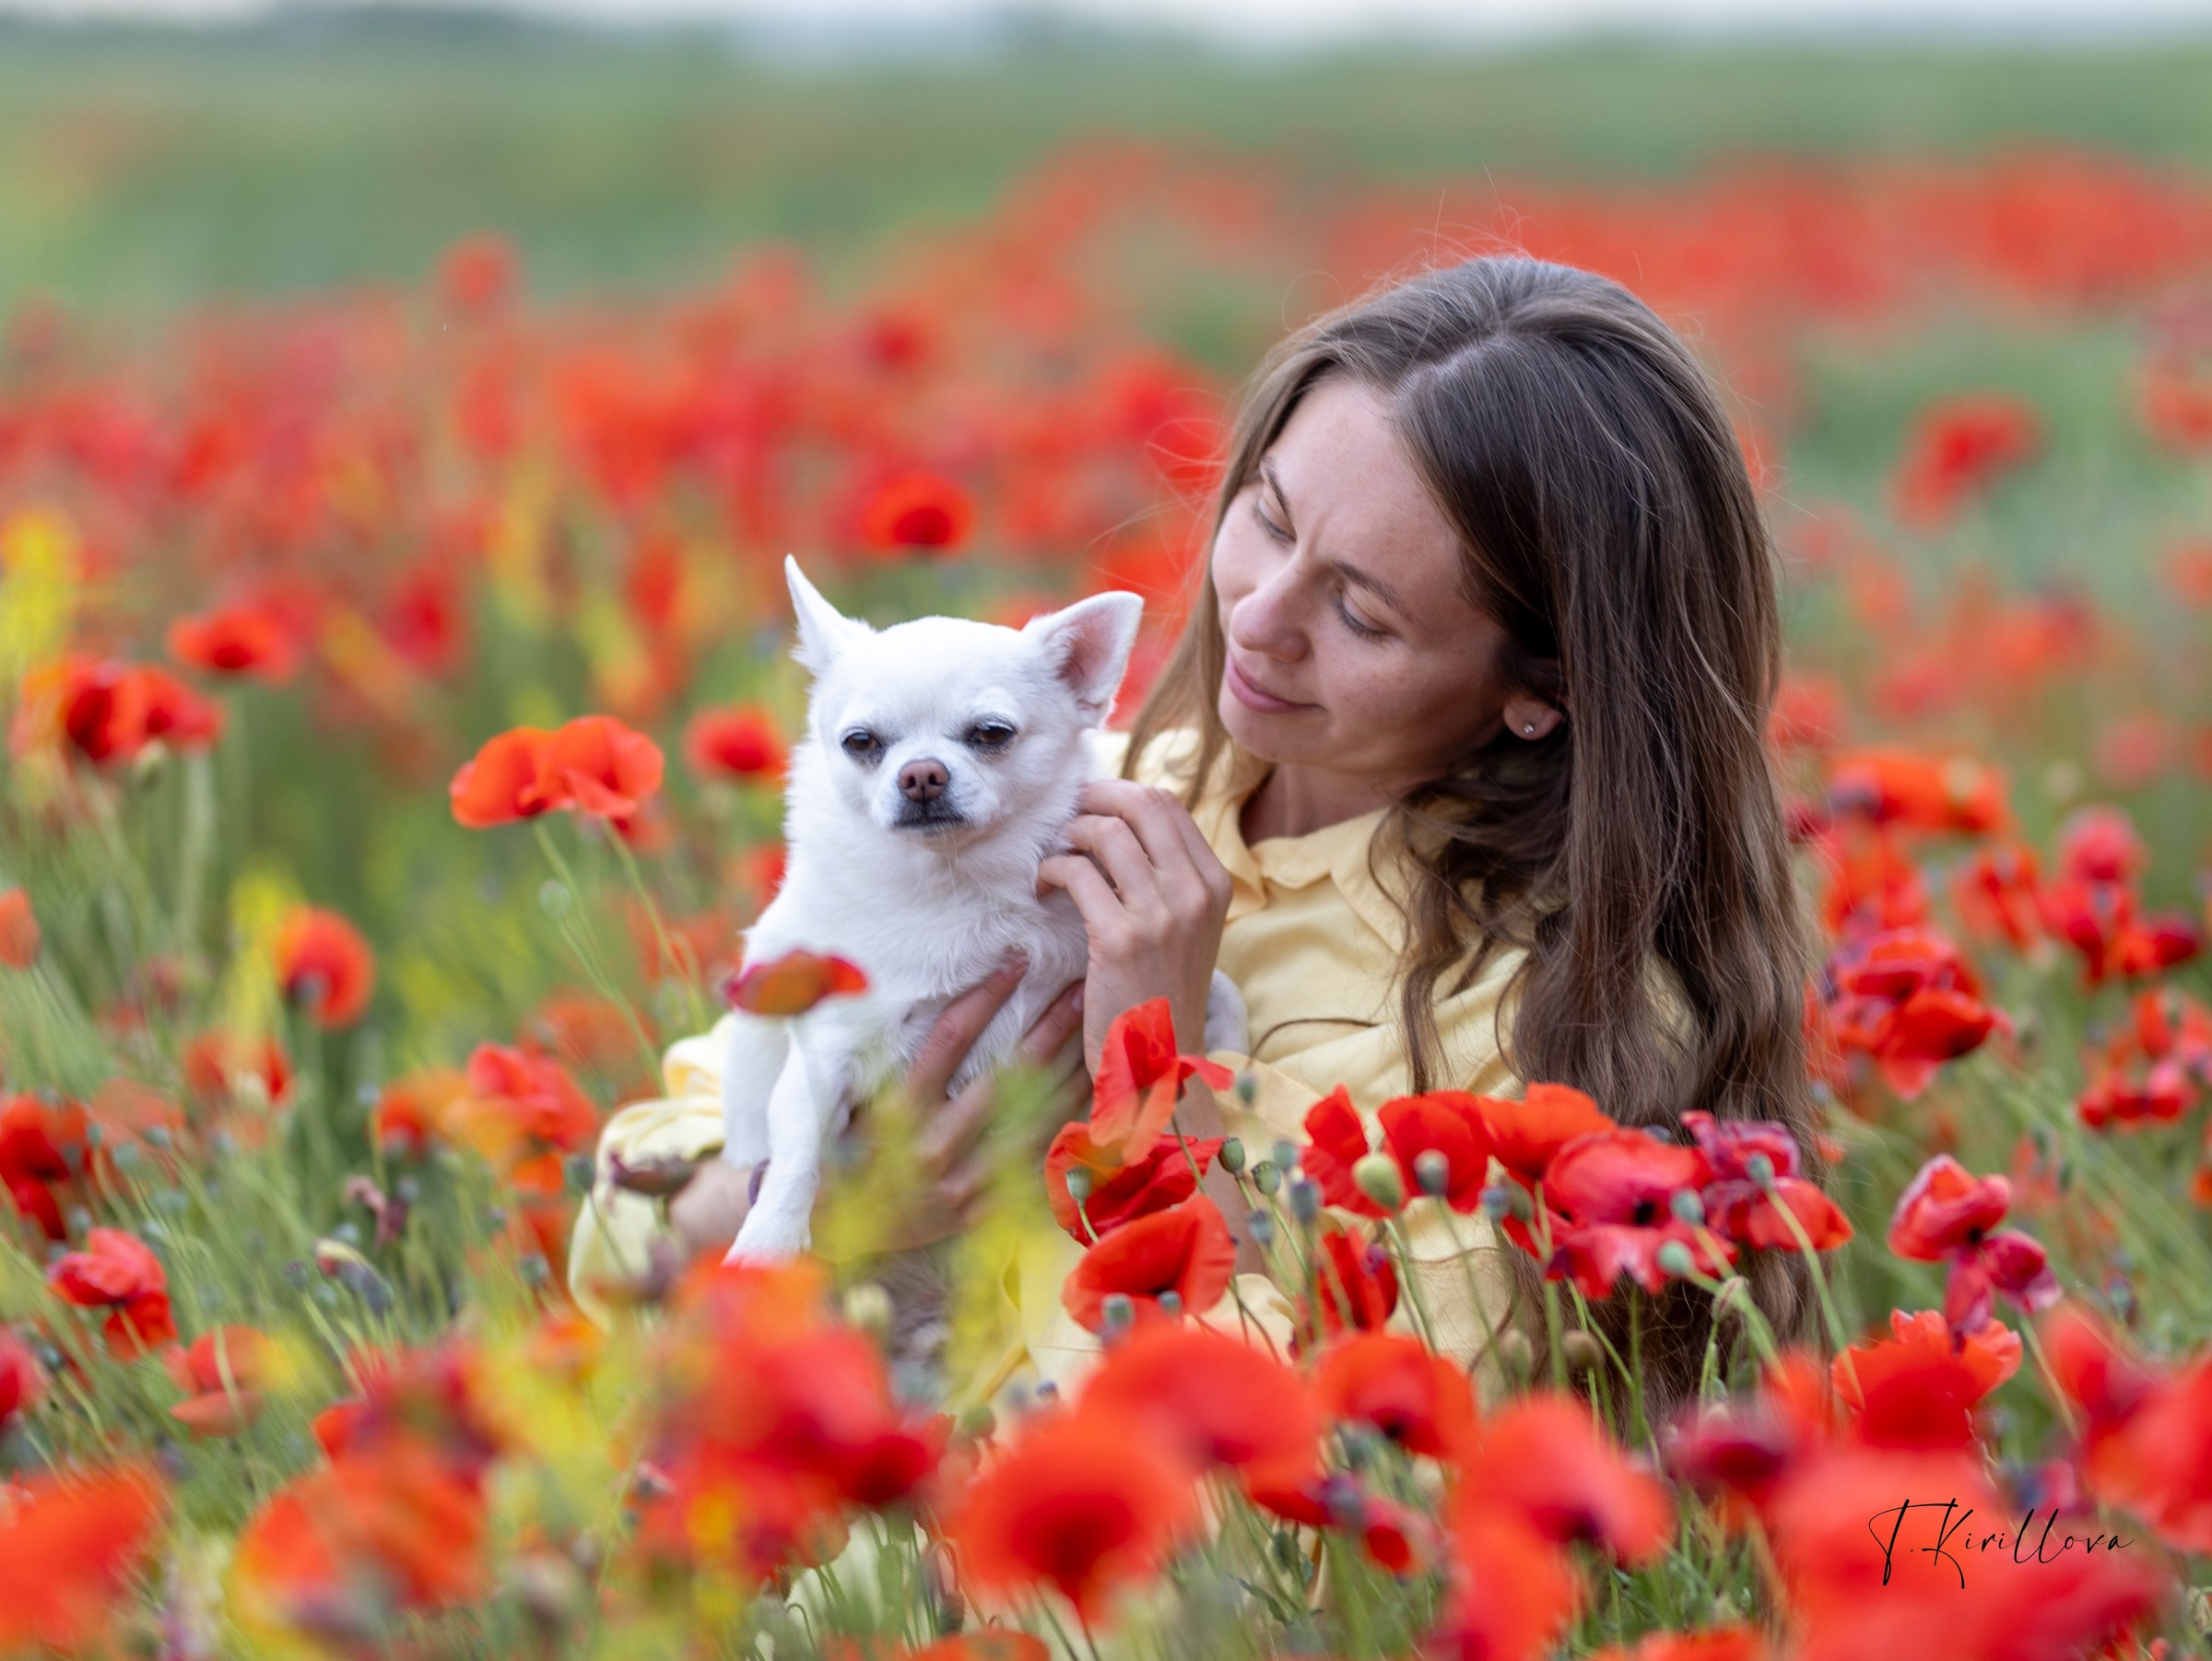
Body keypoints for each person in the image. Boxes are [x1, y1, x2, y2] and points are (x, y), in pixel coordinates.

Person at [569, 253, 1820, 1415]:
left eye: (1362, 611)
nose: (1260, 615)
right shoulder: (1085, 790)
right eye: (1270, 518)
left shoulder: (1558, 1015)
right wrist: (830, 1202)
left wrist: (1148, 1074)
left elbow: (1322, 1488)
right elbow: (627, 1217)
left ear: (1543, 687)